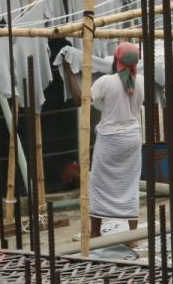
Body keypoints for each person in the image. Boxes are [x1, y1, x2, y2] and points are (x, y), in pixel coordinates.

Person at [63, 43, 146, 239]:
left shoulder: (106, 82)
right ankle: (131, 236)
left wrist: (69, 72)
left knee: (98, 184)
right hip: (133, 138)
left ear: (116, 60)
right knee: (130, 184)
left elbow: (79, 100)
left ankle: (95, 232)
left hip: (110, 140)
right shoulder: (140, 80)